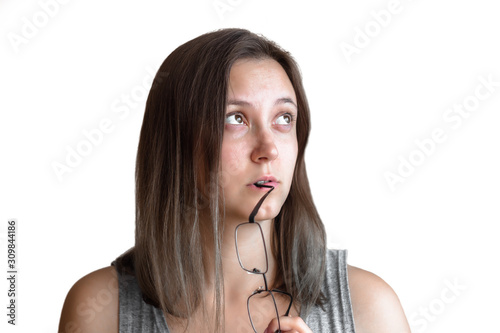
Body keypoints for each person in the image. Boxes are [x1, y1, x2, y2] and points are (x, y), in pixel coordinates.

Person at [58, 28, 411, 333]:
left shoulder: (369, 308)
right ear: (176, 142)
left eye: (284, 118)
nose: (268, 148)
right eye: (236, 119)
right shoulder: (102, 311)